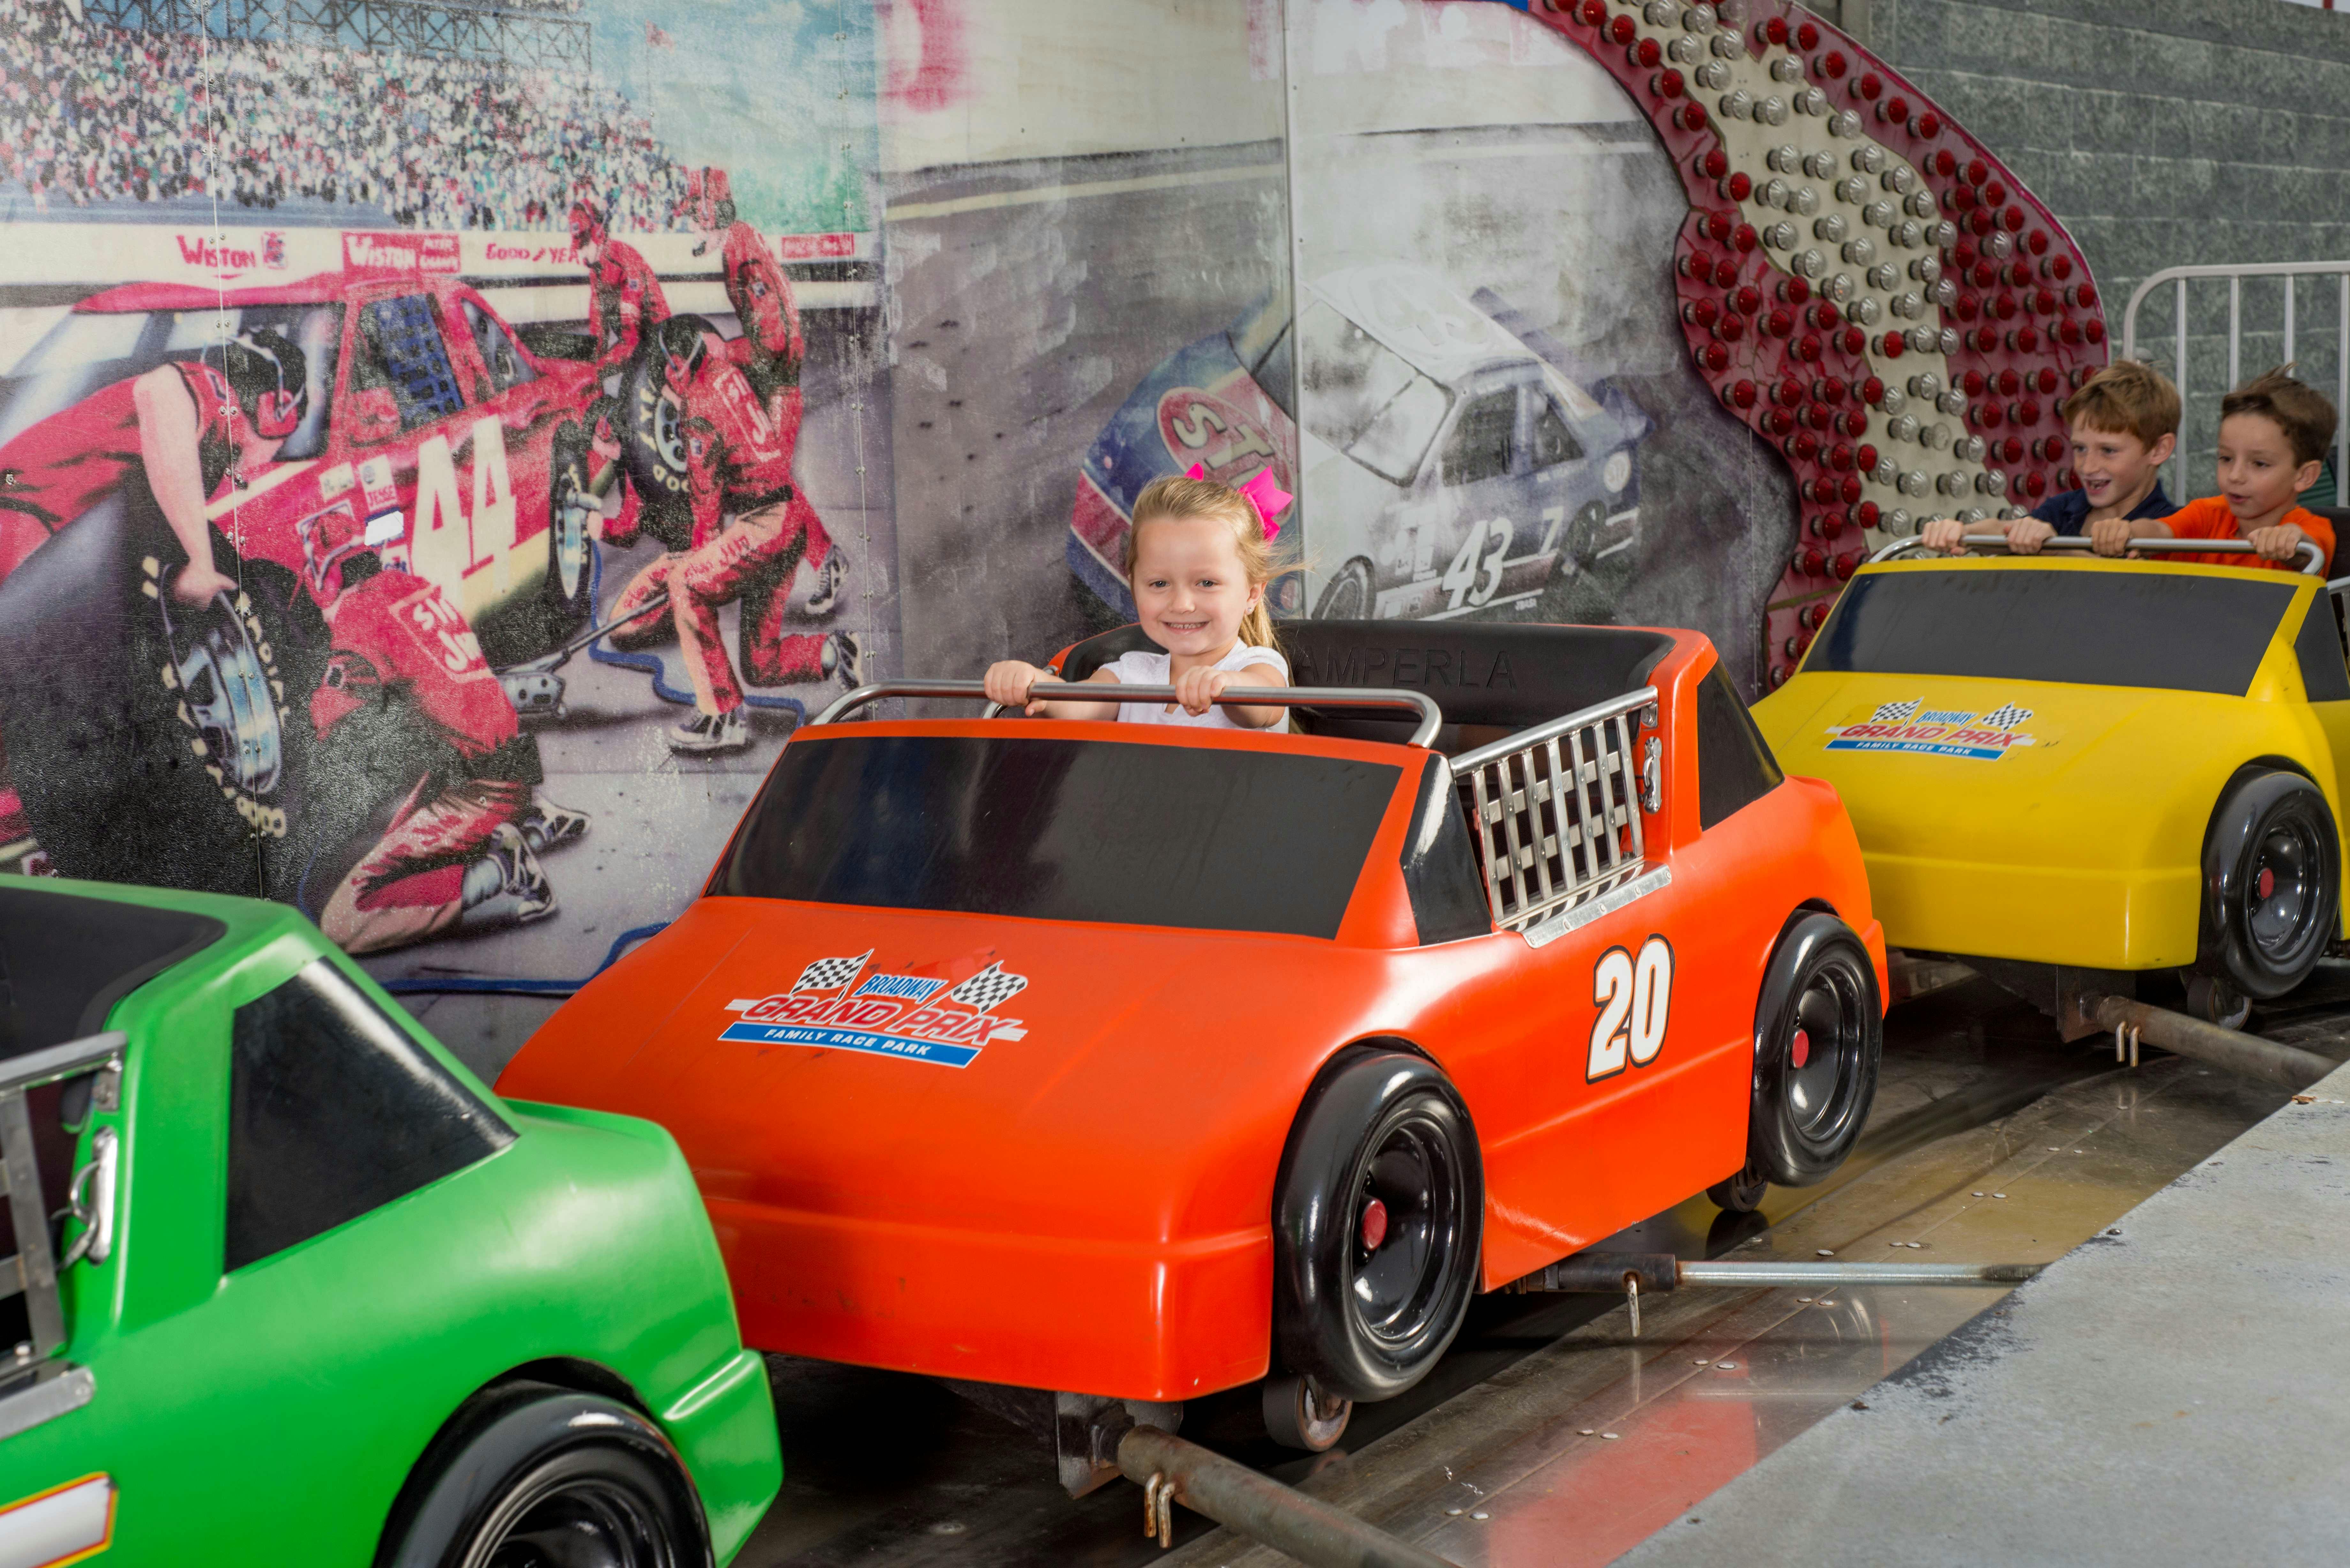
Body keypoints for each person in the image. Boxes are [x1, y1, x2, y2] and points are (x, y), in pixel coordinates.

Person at [299, 503, 590, 955]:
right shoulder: (414, 587)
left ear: (327, 580)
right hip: (492, 765)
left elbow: (329, 722)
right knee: (397, 835)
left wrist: (300, 717)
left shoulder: (358, 615)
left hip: (477, 787)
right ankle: (530, 814)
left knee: (343, 921)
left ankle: (501, 870)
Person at [604, 318, 861, 755]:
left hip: (766, 524)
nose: (663, 378)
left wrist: (689, 565)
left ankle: (723, 717)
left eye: (665, 369)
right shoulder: (725, 373)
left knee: (685, 583)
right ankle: (834, 653)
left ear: (677, 367)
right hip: (788, 523)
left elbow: (706, 507)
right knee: (760, 664)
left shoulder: (696, 410)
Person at [0, 328, 307, 596]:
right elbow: (162, 389)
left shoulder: (216, 428)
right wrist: (201, 562)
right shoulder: (213, 392)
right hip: (21, 503)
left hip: (43, 514)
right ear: (276, 413)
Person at [984, 471, 1292, 729]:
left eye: (1207, 583)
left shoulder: (1257, 667)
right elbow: (1076, 707)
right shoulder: (1131, 673)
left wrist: (1224, 685)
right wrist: (1031, 682)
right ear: (1135, 590)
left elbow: (1263, 704)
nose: (1182, 604)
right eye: (1159, 583)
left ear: (1252, 594)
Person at [686, 165, 845, 618]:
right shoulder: (738, 243)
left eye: (697, 215)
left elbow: (772, 340)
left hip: (778, 379)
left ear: (714, 210)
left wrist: (726, 350)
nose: (693, 226)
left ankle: (825, 561)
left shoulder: (742, 250)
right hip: (773, 376)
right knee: (763, 478)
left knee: (770, 482)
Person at [1918, 360, 2179, 558]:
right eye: (2080, 449)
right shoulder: (2065, 508)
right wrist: (1964, 533)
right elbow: (2006, 530)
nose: (2088, 467)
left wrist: (2053, 548)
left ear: (2159, 449)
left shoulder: (2173, 526)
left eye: (2108, 451)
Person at [2133, 368, 2338, 572]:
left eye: (2260, 464)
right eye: (2226, 458)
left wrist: (2290, 540)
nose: (2235, 476)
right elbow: (2159, 531)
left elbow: (2307, 551)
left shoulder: (2314, 529)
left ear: (2305, 476)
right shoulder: (2207, 515)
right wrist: (2127, 532)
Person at [572, 196, 671, 383]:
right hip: (636, 343)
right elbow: (597, 328)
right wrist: (588, 366)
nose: (581, 253)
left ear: (598, 236)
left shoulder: (624, 261)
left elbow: (631, 339)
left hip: (659, 344)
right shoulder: (596, 271)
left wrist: (595, 372)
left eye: (584, 245)